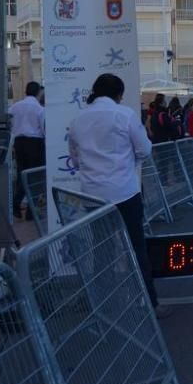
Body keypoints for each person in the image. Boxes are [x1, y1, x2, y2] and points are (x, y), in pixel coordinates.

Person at [67, 73, 170, 319]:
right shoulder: (124, 115)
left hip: (93, 195)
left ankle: (104, 307)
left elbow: (75, 158)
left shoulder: (78, 119)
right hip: (125, 192)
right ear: (119, 94)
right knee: (137, 248)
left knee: (102, 253)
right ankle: (150, 303)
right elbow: (145, 150)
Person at [9, 81, 45, 220]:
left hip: (19, 142)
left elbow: (9, 123)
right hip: (35, 143)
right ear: (38, 92)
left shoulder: (14, 107)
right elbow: (43, 128)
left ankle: (16, 205)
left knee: (21, 174)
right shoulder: (40, 109)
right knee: (35, 177)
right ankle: (32, 212)